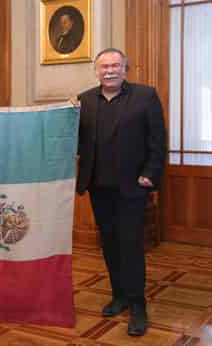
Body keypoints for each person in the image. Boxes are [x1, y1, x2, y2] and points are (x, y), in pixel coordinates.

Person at [73, 48, 166, 336]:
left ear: (125, 69)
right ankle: (120, 296)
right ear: (96, 71)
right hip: (98, 187)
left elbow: (158, 139)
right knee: (110, 245)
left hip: (132, 187)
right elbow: (72, 140)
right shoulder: (84, 100)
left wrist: (149, 174)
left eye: (115, 65)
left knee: (131, 246)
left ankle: (138, 305)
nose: (109, 71)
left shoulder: (145, 96)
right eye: (104, 66)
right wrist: (64, 115)